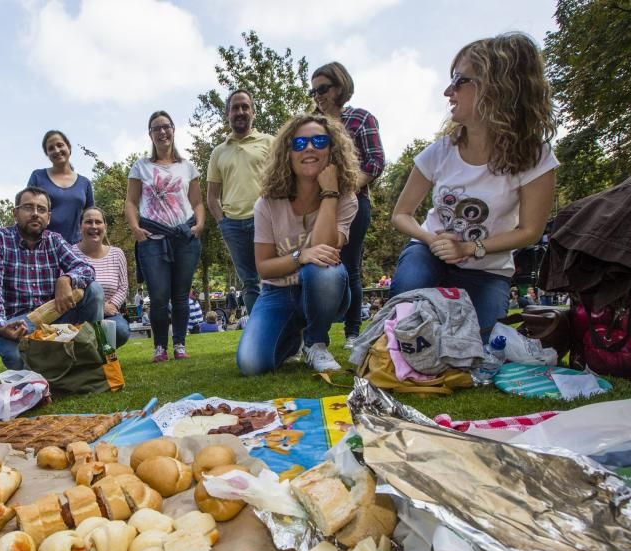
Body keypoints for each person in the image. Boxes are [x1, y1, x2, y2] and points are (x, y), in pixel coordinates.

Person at [389, 32, 558, 341]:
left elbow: (530, 231)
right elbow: (401, 213)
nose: (447, 92)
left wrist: (469, 248)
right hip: (428, 254)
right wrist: (431, 239)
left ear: (495, 88)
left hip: (488, 269)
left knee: (474, 347)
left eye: (458, 81)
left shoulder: (535, 157)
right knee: (408, 313)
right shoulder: (439, 151)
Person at [236, 114, 360, 376]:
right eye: (300, 143)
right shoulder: (267, 203)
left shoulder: (346, 198)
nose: (310, 148)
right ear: (287, 153)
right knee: (251, 364)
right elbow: (264, 268)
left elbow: (326, 248)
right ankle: (294, 340)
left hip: (325, 287)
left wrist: (329, 193)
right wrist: (300, 255)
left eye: (319, 141)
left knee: (322, 265)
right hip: (277, 293)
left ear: (332, 150)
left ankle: (316, 342)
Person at [0, 186, 102, 371]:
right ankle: (52, 363)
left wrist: (66, 279)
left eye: (41, 209)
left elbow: (86, 268)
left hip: (50, 317)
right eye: (28, 207)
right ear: (15, 213)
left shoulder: (54, 240)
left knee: (94, 290)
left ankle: (92, 355)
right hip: (15, 322)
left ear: (49, 218)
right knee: (17, 361)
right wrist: (0, 325)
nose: (35, 214)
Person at [310, 62, 385, 349]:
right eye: (314, 91)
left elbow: (375, 162)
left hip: (354, 202)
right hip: (316, 207)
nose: (318, 96)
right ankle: (316, 336)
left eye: (323, 89)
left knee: (351, 267)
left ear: (340, 87)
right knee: (320, 263)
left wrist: (342, 190)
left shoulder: (361, 119)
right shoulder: (311, 124)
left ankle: (353, 332)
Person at [126, 110, 205, 362]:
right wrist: (136, 228)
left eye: (166, 127)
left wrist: (199, 225)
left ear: (173, 130)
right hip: (153, 239)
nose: (162, 132)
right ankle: (160, 347)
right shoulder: (141, 166)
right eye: (156, 128)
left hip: (184, 237)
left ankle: (179, 345)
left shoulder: (187, 167)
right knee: (159, 296)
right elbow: (130, 201)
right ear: (150, 134)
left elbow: (198, 203)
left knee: (181, 295)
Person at [206, 90, 272, 316]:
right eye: (235, 108)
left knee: (275, 277)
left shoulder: (270, 142)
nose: (240, 112)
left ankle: (284, 332)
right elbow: (212, 195)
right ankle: (258, 332)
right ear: (228, 114)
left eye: (245, 107)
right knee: (249, 283)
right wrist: (222, 222)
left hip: (266, 221)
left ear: (253, 111)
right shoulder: (218, 152)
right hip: (233, 225)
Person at [74, 206, 130, 348]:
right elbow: (69, 288)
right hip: (80, 315)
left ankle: (99, 357)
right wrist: (99, 307)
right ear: (80, 226)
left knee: (121, 330)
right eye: (88, 222)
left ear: (105, 227)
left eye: (98, 222)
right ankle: (92, 356)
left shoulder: (117, 254)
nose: (94, 226)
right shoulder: (70, 252)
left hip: (110, 313)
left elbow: (123, 287)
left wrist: (112, 305)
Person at [27, 130, 95, 244]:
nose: (56, 150)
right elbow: (27, 210)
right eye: (51, 148)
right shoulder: (38, 177)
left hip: (75, 249)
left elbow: (91, 218)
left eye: (60, 145)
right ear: (47, 154)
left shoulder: (85, 183)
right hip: (42, 247)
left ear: (68, 147)